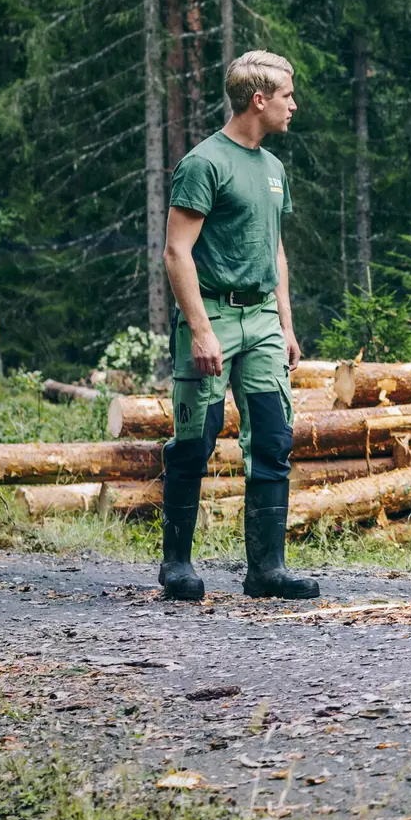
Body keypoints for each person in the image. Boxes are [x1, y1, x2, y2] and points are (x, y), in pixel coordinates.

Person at [158, 51, 317, 602]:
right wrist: (200, 330)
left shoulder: (272, 169)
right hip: (213, 316)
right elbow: (177, 252)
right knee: (192, 443)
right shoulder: (205, 163)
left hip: (264, 321)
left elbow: (274, 249)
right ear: (259, 99)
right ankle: (177, 565)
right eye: (287, 96)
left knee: (273, 441)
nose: (293, 104)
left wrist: (286, 323)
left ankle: (266, 571)